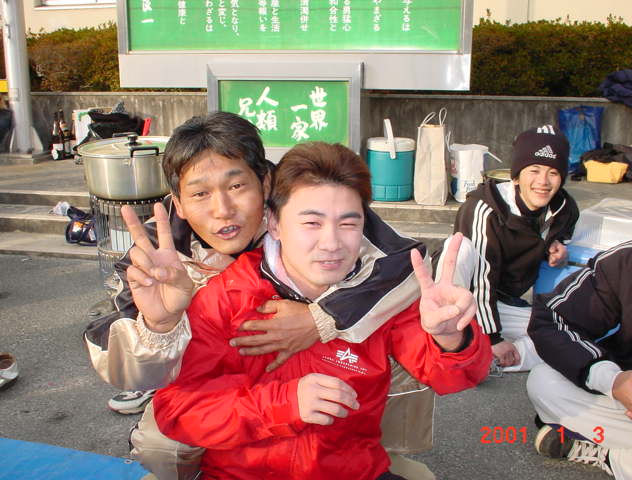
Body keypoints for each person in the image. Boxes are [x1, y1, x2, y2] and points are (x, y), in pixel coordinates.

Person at [84, 113, 436, 479]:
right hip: (215, 379)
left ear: (266, 183)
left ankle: (376, 451)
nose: (223, 210)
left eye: (237, 186)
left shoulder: (307, 204)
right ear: (180, 203)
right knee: (161, 445)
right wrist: (160, 325)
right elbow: (122, 367)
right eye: (201, 193)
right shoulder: (154, 254)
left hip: (324, 372)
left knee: (402, 341)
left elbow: (407, 265)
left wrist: (323, 318)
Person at [139, 141, 492, 480]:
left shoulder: (382, 296)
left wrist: (451, 337)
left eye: (348, 224)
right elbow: (178, 411)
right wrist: (284, 403)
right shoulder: (226, 297)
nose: (332, 243)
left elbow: (454, 377)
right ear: (274, 223)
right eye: (311, 223)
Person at [434, 125, 579, 372]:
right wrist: (493, 337)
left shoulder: (563, 208)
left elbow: (563, 231)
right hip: (462, 296)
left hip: (502, 302)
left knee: (567, 335)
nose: (543, 182)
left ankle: (490, 361)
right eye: (534, 170)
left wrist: (557, 245)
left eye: (553, 172)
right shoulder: (486, 208)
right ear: (516, 176)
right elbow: (482, 278)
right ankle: (450, 337)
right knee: (460, 248)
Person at [526, 238, 632, 479]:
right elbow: (552, 318)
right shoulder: (631, 260)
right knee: (544, 381)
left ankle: (611, 456)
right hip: (629, 405)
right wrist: (612, 381)